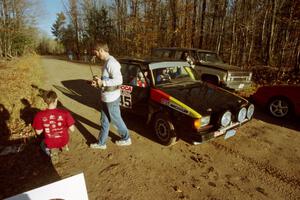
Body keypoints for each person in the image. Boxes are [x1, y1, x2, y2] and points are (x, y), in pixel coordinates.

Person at [90, 42, 131, 150]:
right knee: (104, 120)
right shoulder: (106, 62)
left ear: (101, 50)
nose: (96, 56)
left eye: (96, 53)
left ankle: (126, 138)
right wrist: (98, 83)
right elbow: (107, 80)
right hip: (105, 97)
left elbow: (119, 80)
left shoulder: (112, 63)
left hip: (111, 98)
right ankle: (101, 143)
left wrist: (103, 83)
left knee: (116, 119)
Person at [32, 90, 75, 163]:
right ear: (56, 99)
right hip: (64, 139)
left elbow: (38, 132)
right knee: (65, 133)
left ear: (45, 101)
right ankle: (64, 146)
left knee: (42, 143)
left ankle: (53, 152)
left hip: (51, 142)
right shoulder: (65, 113)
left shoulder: (39, 115)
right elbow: (72, 129)